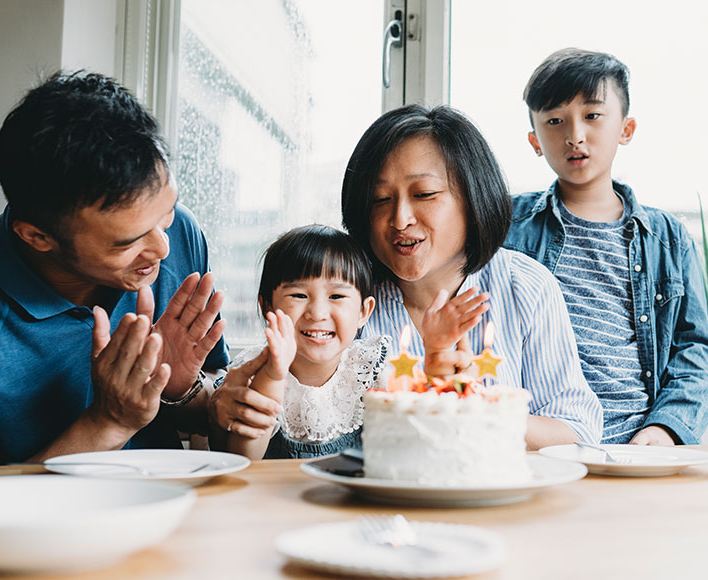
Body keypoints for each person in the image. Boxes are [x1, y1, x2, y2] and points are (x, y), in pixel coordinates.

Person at [212, 104, 604, 449]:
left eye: (425, 194)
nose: (400, 219)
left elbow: (577, 431)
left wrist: (471, 407)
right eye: (381, 200)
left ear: (473, 197)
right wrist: (229, 406)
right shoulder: (342, 299)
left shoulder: (526, 286)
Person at [0, 70, 233, 464]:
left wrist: (179, 390)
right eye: (127, 242)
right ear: (37, 237)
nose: (162, 248)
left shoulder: (180, 230)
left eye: (164, 216)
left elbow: (210, 398)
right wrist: (109, 422)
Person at [504, 48, 708, 445]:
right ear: (534, 140)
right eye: (555, 120)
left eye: (593, 116)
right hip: (541, 441)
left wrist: (666, 427)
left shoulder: (667, 239)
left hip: (637, 443)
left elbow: (695, 347)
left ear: (626, 129)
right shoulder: (508, 226)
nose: (574, 135)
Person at [212, 224, 386, 459]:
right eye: (299, 295)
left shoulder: (371, 369)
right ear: (267, 307)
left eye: (336, 296)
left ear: (364, 312)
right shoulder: (251, 372)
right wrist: (272, 375)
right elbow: (245, 459)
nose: (317, 313)